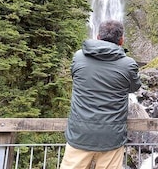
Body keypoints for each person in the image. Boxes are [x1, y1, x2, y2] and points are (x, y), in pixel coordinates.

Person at [60, 20, 141, 169]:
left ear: (97, 37)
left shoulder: (78, 57)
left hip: (79, 134)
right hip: (111, 137)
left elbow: (76, 78)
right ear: (121, 40)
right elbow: (134, 87)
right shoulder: (128, 64)